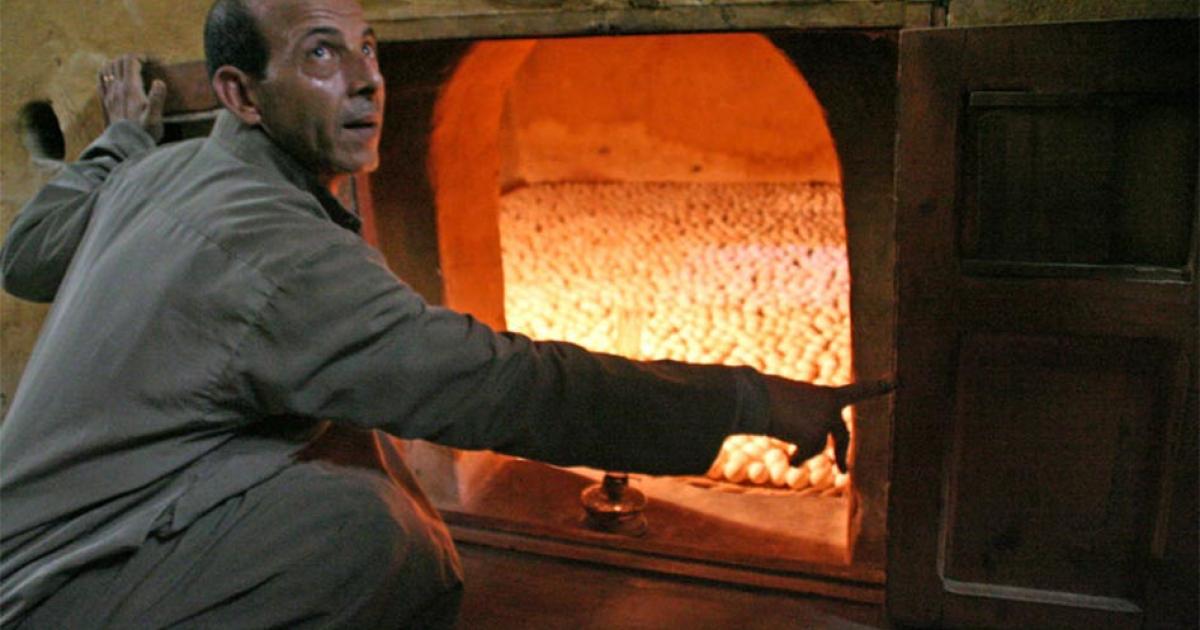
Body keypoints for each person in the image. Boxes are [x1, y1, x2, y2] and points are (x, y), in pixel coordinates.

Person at [0, 0, 894, 626]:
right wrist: (750, 401)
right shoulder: (275, 254)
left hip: (56, 528)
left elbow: (28, 253)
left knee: (344, 444)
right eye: (320, 54)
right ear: (239, 93)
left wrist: (120, 140)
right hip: (58, 584)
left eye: (371, 47)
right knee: (371, 537)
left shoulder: (164, 168)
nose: (367, 81)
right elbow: (504, 387)